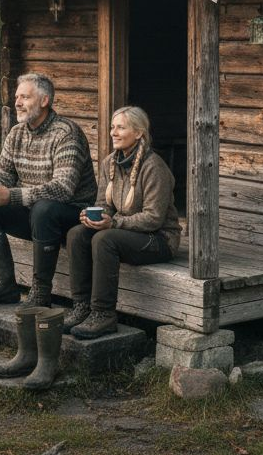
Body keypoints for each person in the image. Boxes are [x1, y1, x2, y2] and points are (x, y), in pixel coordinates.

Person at [0, 73, 98, 309]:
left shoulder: (66, 133)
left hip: (73, 217)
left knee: (44, 208)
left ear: (44, 100)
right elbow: (2, 171)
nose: (17, 102)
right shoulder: (17, 133)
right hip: (36, 215)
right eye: (17, 97)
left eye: (25, 97)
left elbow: (62, 190)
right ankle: (4, 284)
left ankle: (40, 292)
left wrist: (12, 195)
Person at [64, 106, 179, 339]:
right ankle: (81, 307)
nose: (113, 133)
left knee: (105, 239)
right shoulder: (109, 163)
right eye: (112, 127)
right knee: (77, 234)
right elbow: (103, 204)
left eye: (121, 127)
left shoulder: (154, 166)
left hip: (159, 239)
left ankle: (103, 314)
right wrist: (92, 217)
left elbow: (154, 218)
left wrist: (112, 224)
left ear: (139, 133)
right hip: (128, 233)